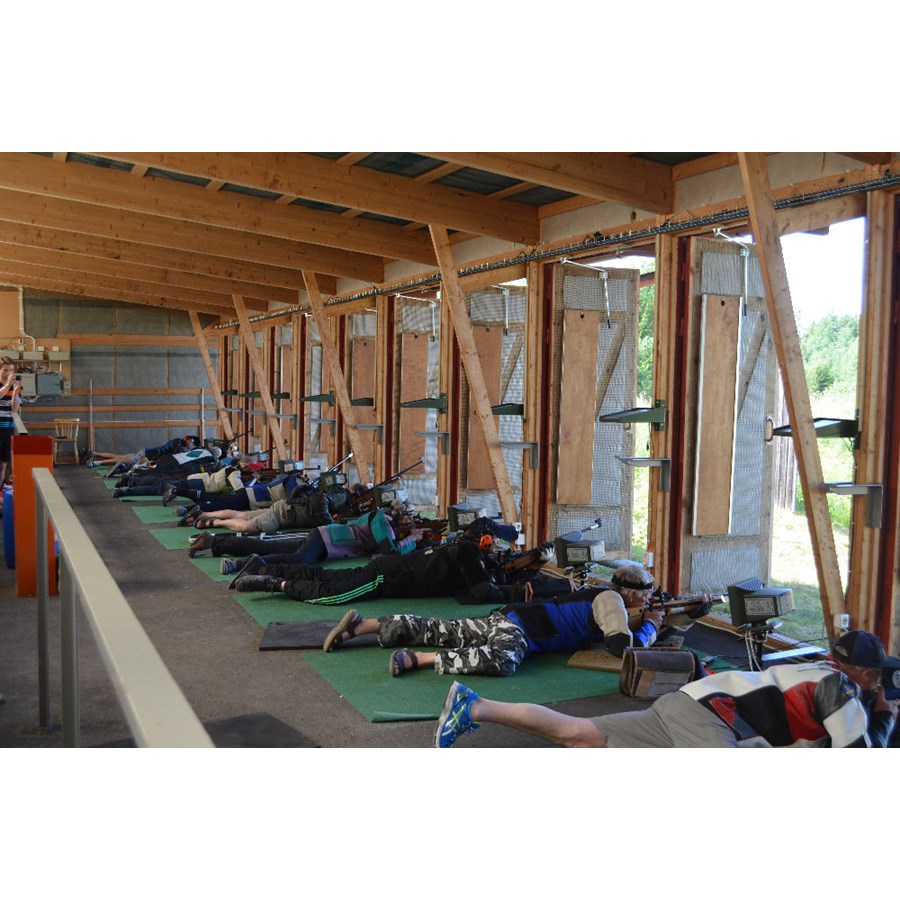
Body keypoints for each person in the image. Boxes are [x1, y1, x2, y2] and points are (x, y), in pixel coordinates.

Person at [321, 563, 704, 677]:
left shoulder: (606, 597)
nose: (648, 601)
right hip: (523, 629)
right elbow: (622, 647)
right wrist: (651, 625)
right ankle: (418, 659)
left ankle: (363, 626)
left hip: (511, 617)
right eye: (646, 595)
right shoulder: (612, 601)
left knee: (444, 628)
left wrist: (687, 614)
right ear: (632, 594)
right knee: (501, 661)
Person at [434, 655, 880, 748]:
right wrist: (882, 719)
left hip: (686, 705)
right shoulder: (841, 689)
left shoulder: (810, 670)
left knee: (579, 737)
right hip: (710, 718)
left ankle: (474, 706)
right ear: (865, 675)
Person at [231, 517, 524, 606]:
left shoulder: (464, 548)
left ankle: (261, 567)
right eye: (497, 541)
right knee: (334, 595)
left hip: (387, 572)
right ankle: (276, 583)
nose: (498, 547)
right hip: (386, 577)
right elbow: (481, 590)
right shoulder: (468, 552)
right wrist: (517, 591)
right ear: (485, 540)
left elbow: (475, 580)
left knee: (325, 577)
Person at [830, 629, 900, 746]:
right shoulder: (836, 704)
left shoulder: (826, 671)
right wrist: (884, 718)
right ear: (865, 675)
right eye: (876, 679)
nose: (876, 686)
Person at [0, 357, 23, 484]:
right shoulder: (6, 385)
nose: (8, 373)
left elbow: (14, 409)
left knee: (2, 466)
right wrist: (7, 385)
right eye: (5, 370)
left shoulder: (16, 386)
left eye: (11, 370)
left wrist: (15, 391)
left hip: (7, 430)